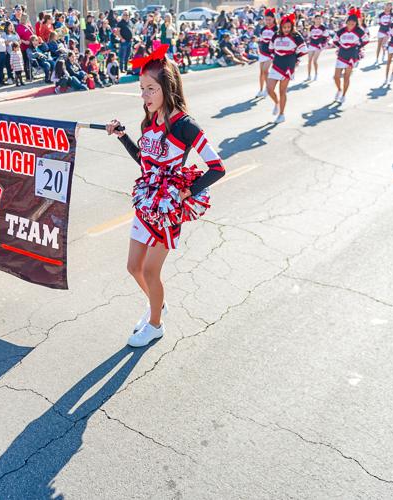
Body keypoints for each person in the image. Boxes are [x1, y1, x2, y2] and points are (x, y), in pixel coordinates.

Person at [105, 46, 225, 348]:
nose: (144, 96)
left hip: (168, 208)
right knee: (133, 267)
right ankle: (158, 304)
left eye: (151, 89)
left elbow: (218, 167)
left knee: (149, 270)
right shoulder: (150, 121)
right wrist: (123, 137)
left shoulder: (185, 125)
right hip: (146, 200)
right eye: (142, 89)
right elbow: (145, 162)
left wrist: (188, 190)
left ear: (167, 88)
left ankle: (156, 325)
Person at [266, 14, 307, 124]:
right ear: (281, 27)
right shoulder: (276, 35)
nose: (286, 29)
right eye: (284, 27)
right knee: (269, 89)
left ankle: (281, 114)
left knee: (282, 91)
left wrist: (296, 60)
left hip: (288, 65)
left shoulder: (296, 36)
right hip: (277, 63)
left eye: (289, 27)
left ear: (292, 26)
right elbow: (271, 49)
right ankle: (277, 103)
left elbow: (303, 50)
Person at [332, 9, 368, 104]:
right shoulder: (341, 31)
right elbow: (334, 40)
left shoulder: (359, 31)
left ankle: (343, 95)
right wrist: (340, 46)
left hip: (352, 55)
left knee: (346, 77)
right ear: (347, 22)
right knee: (336, 76)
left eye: (353, 23)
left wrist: (358, 47)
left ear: (356, 23)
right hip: (342, 54)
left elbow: (366, 40)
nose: (351, 24)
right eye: (349, 22)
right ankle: (339, 90)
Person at [254, 8, 277, 98]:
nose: (267, 21)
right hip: (263, 52)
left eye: (269, 19)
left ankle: (268, 89)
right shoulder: (263, 28)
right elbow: (262, 40)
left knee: (265, 70)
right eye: (266, 19)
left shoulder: (276, 29)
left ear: (273, 19)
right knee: (261, 72)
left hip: (271, 53)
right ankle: (260, 90)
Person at [306, 13, 328, 81]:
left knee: (314, 61)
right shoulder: (311, 27)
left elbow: (326, 37)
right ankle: (309, 75)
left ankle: (316, 74)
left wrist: (322, 44)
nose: (318, 20)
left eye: (319, 19)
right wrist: (309, 40)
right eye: (317, 19)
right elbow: (309, 36)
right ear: (314, 19)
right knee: (309, 61)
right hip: (312, 44)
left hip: (318, 45)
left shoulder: (323, 27)